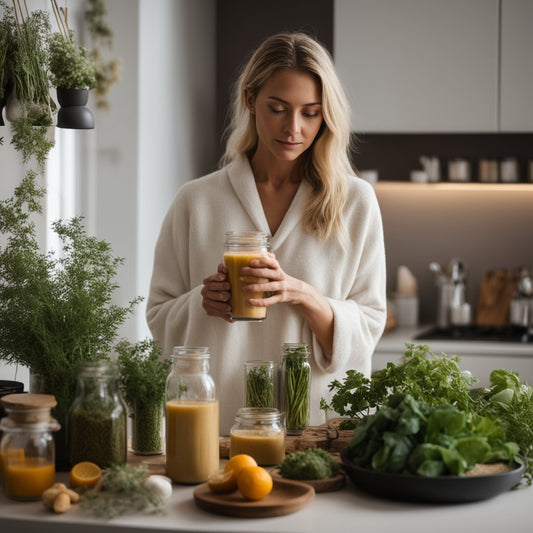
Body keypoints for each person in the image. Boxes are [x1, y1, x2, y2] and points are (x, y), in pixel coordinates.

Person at [146, 32, 387, 434]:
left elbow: (369, 325)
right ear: (250, 99)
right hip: (217, 428)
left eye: (311, 112)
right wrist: (200, 303)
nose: (294, 128)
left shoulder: (354, 203)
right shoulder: (196, 201)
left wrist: (302, 294)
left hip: (316, 431)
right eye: (278, 108)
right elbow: (158, 316)